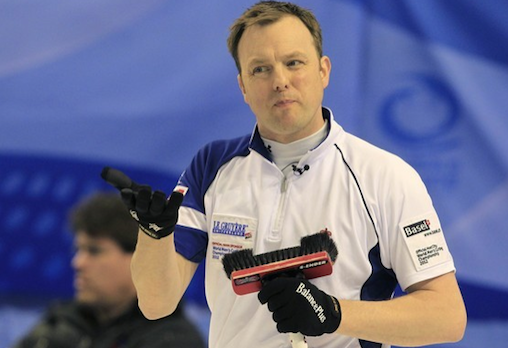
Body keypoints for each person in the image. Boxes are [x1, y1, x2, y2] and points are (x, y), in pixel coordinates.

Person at [102, 1, 467, 348]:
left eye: (294, 62)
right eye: (260, 68)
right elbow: (156, 305)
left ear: (323, 70)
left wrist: (335, 313)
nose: (280, 81)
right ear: (243, 85)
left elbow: (447, 317)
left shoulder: (385, 176)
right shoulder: (212, 165)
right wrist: (154, 235)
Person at [12, 192, 206, 348]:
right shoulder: (60, 325)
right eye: (78, 250)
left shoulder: (174, 341)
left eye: (94, 251)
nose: (78, 263)